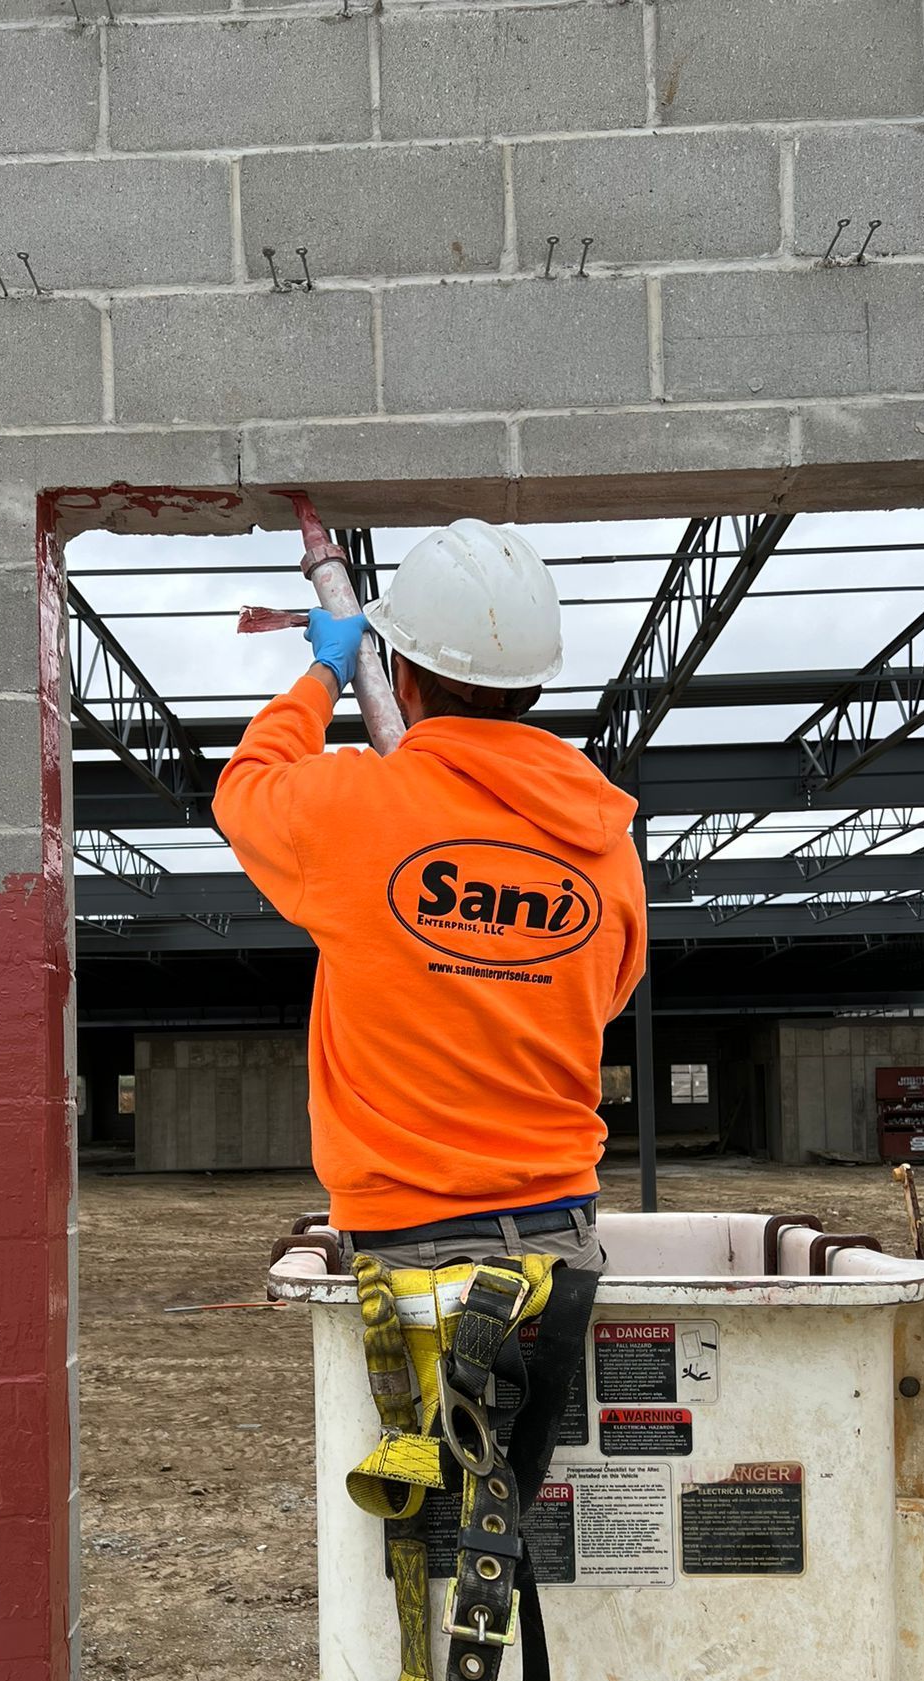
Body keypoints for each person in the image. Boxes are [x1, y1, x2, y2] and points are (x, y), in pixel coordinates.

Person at [215, 519, 647, 1482]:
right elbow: (605, 994)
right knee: (530, 1517)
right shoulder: (604, 838)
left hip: (400, 1252)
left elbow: (245, 789)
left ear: (400, 671)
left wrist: (323, 678)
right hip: (557, 1245)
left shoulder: (351, 810)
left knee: (420, 1534)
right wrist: (497, 970)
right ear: (534, 684)